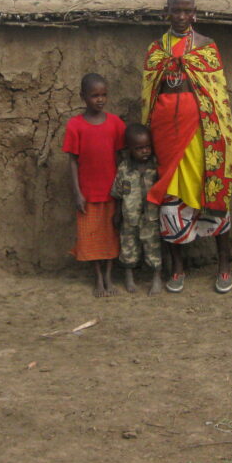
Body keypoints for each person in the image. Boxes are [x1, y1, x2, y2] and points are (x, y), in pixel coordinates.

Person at [142, 0, 232, 294]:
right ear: (166, 11)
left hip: (201, 137)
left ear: (195, 12)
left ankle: (224, 266)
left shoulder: (207, 48)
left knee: (210, 189)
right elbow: (150, 95)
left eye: (187, 10)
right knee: (171, 196)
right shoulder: (156, 50)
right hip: (166, 135)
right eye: (176, 10)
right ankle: (177, 268)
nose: (182, 16)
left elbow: (217, 95)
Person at [63, 73, 126, 297]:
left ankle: (109, 277)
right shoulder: (75, 125)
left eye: (103, 95)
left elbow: (120, 160)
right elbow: (72, 161)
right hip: (88, 194)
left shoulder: (116, 124)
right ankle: (98, 278)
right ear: (83, 97)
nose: (100, 100)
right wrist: (77, 193)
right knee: (90, 238)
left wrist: (121, 193)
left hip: (110, 193)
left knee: (109, 237)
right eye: (94, 95)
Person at [111, 123, 162, 295]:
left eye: (147, 147)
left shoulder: (155, 167)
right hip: (129, 217)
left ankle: (156, 278)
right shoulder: (124, 168)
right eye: (139, 148)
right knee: (128, 247)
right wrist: (117, 214)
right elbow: (118, 193)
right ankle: (129, 277)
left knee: (153, 247)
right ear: (129, 149)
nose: (145, 151)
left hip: (151, 217)